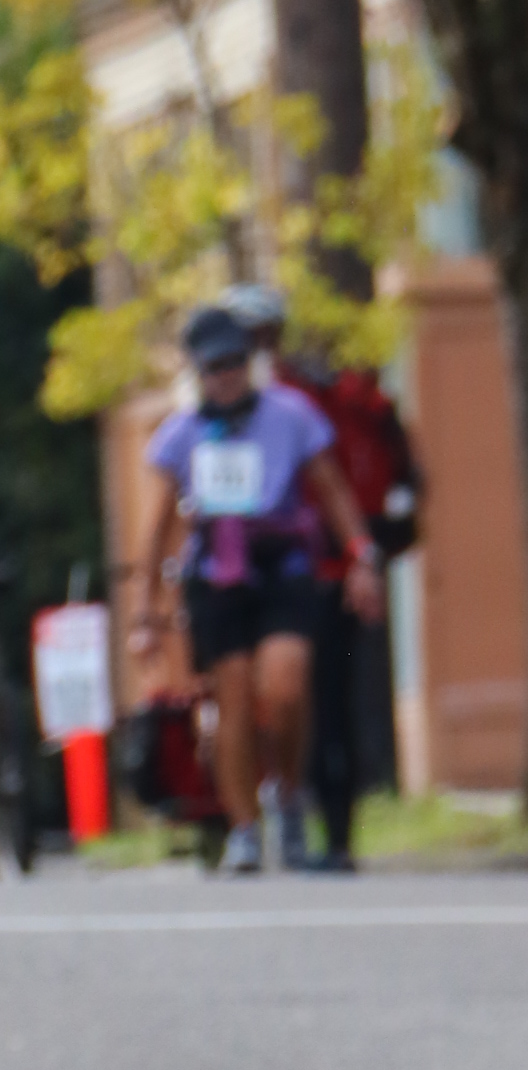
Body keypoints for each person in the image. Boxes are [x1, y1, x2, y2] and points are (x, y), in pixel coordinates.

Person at [130, 304, 383, 875]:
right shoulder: (181, 434)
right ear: (197, 372)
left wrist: (361, 557)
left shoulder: (291, 414)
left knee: (287, 684)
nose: (227, 376)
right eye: (214, 367)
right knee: (234, 700)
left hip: (282, 565)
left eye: (235, 363)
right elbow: (156, 531)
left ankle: (286, 794)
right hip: (216, 574)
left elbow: (332, 489)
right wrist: (145, 615)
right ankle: (244, 828)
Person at [285, 345, 422, 873]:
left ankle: (334, 832)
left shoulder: (327, 406)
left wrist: (363, 554)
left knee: (328, 705)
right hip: (326, 569)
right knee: (326, 703)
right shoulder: (324, 402)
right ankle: (326, 830)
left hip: (333, 570)